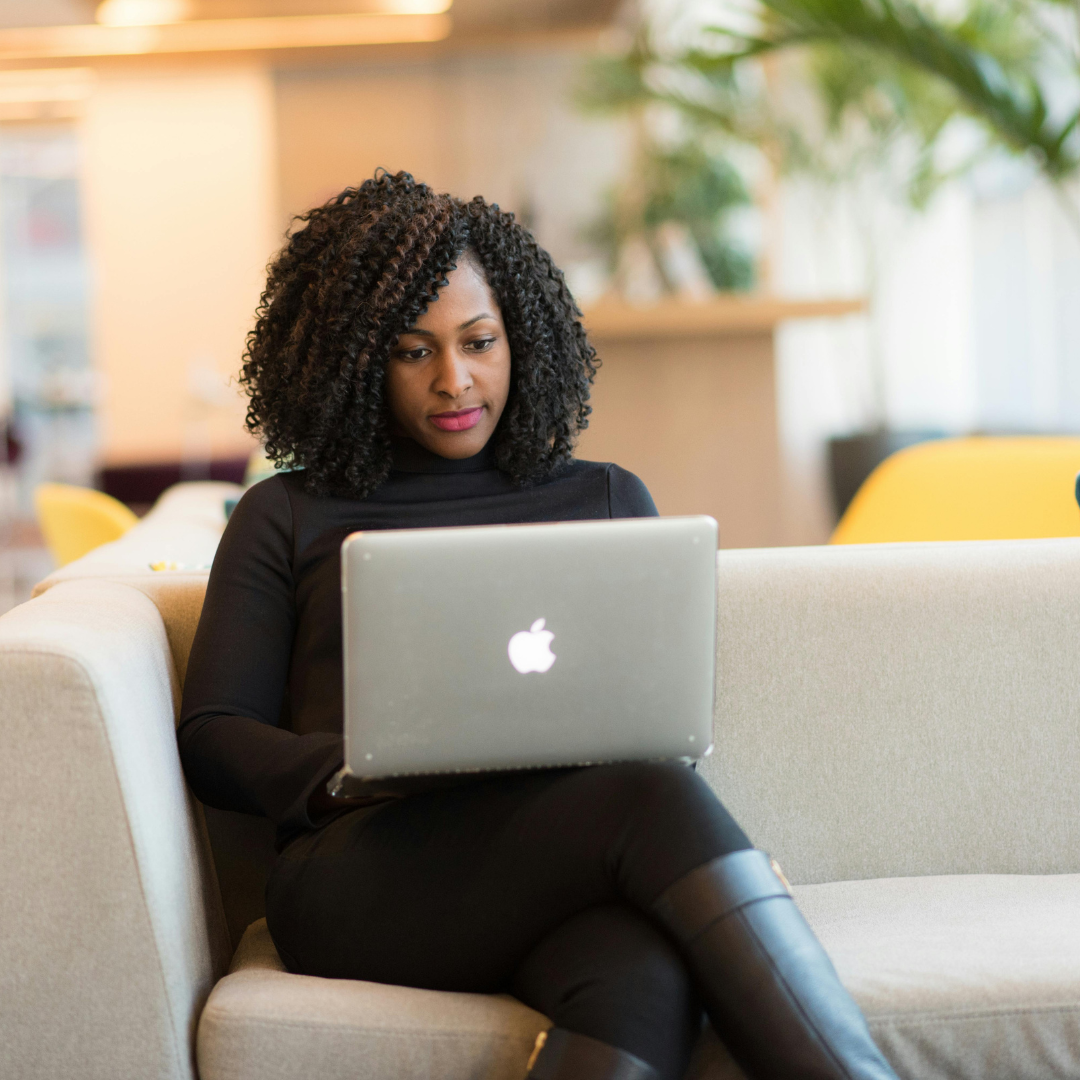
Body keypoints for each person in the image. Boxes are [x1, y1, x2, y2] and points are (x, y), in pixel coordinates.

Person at [178, 171, 898, 1080]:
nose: (455, 379)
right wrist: (352, 772)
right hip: (362, 873)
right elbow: (212, 736)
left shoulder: (606, 498)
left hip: (566, 858)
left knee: (642, 972)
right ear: (356, 360)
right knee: (650, 800)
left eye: (480, 341)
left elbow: (656, 712)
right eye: (413, 351)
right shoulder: (287, 513)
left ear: (522, 336)